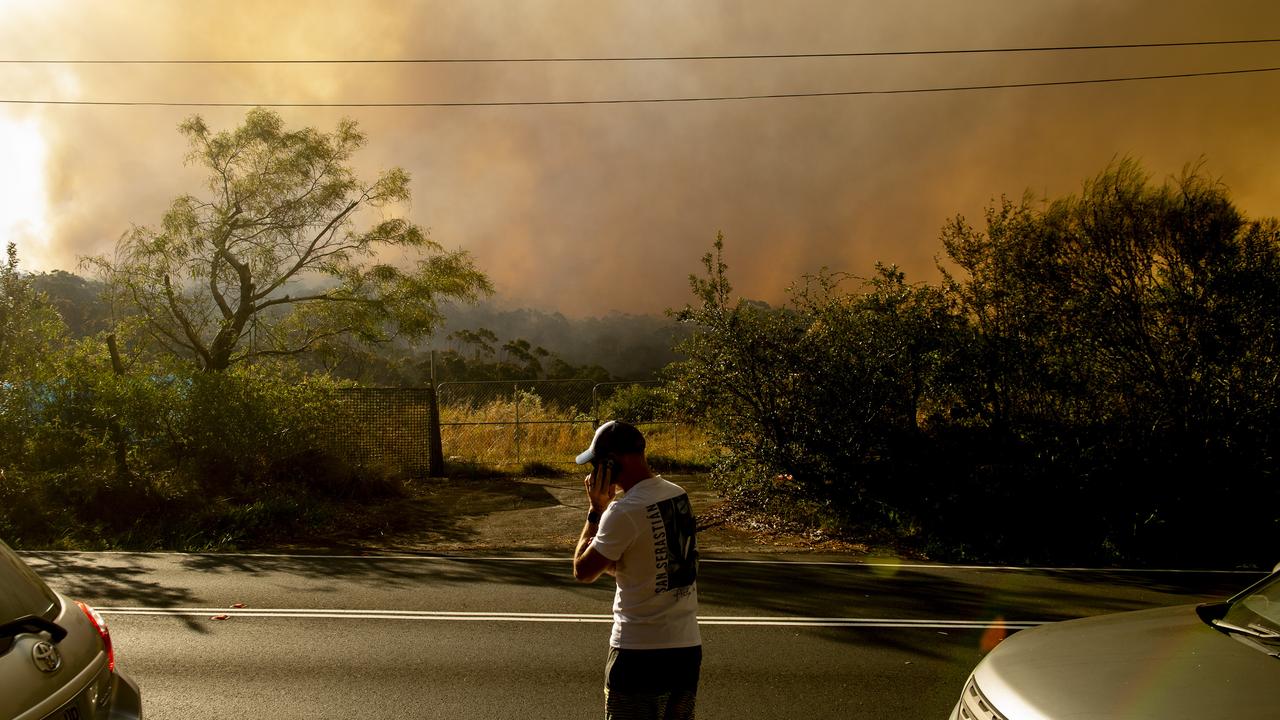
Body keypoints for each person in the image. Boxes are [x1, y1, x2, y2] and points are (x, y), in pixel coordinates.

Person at [572, 420, 702, 719]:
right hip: (685, 650)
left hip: (638, 653)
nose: (592, 473)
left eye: (596, 464)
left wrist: (595, 511)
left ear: (611, 462)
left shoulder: (622, 511)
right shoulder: (677, 495)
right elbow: (644, 562)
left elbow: (583, 570)